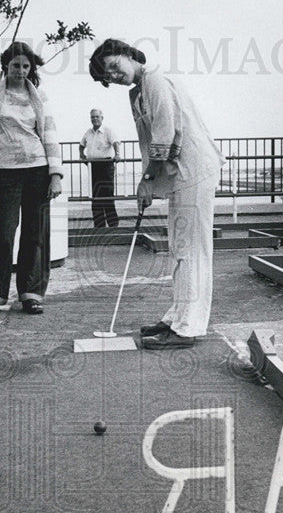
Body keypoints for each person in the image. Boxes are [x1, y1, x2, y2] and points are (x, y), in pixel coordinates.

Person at [89, 38, 223, 349]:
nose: (113, 75)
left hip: (195, 168)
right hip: (180, 173)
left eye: (113, 65)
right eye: (106, 76)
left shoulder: (155, 80)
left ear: (127, 53)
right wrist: (145, 181)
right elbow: (146, 142)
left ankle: (189, 327)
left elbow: (166, 130)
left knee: (192, 247)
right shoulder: (138, 92)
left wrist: (149, 179)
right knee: (179, 245)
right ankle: (177, 315)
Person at [0, 41, 63, 316]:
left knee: (34, 235)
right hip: (4, 173)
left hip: (38, 171)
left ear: (31, 68)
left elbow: (50, 135)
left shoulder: (39, 97)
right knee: (5, 235)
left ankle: (31, 294)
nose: (20, 71)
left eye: (25, 66)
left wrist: (55, 175)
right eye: (15, 66)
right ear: (5, 66)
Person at [79, 108, 121, 227]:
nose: (95, 119)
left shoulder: (108, 131)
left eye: (97, 117)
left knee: (107, 194)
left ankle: (113, 225)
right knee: (95, 196)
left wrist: (117, 155)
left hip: (106, 165)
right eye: (92, 117)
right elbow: (81, 145)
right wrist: (82, 156)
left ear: (102, 118)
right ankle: (99, 225)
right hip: (93, 166)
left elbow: (116, 143)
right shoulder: (88, 132)